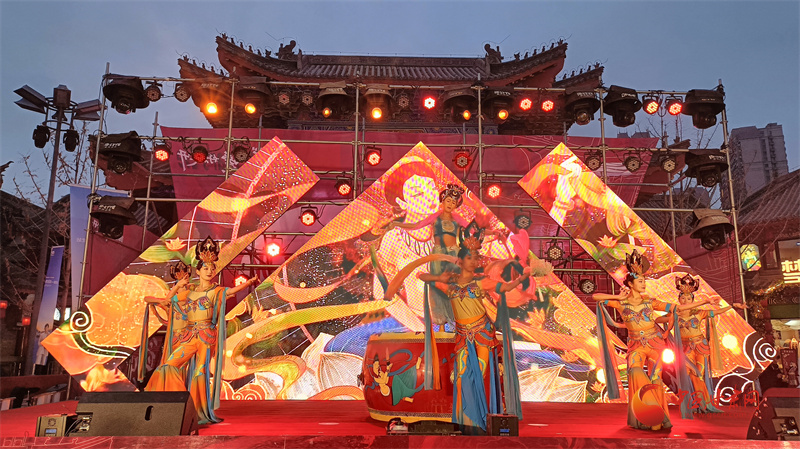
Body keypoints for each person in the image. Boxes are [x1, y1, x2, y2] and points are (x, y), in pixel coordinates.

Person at [412, 222, 528, 432]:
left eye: (476, 258)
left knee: (480, 376)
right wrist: (438, 277)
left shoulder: (482, 282)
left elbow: (507, 287)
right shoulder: (450, 286)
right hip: (463, 336)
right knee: (461, 377)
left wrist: (525, 275)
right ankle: (467, 421)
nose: (474, 261)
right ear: (460, 260)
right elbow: (422, 276)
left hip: (482, 333)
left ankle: (484, 422)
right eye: (469, 257)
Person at [593, 250, 713, 430]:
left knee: (656, 378)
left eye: (644, 281)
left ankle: (659, 418)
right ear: (630, 283)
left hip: (655, 344)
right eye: (640, 281)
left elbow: (677, 309)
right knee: (635, 372)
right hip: (636, 345)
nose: (644, 284)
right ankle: (650, 414)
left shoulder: (650, 302)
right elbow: (596, 297)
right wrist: (618, 297)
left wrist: (703, 303)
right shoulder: (620, 303)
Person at [146, 236, 258, 425]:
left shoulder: (216, 291)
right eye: (205, 268)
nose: (209, 271)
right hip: (189, 336)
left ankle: (199, 413)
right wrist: (177, 286)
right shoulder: (189, 291)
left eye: (212, 268)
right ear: (197, 271)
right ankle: (177, 406)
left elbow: (232, 291)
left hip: (206, 337)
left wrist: (248, 283)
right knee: (168, 366)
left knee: (200, 373)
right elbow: (166, 301)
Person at [669, 274, 747, 413]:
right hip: (685, 348)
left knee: (699, 374)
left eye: (689, 298)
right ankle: (695, 403)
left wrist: (734, 306)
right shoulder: (675, 314)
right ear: (679, 299)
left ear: (693, 300)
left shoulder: (700, 313)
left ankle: (702, 404)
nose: (685, 301)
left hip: (700, 346)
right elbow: (659, 320)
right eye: (683, 298)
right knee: (688, 373)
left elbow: (717, 312)